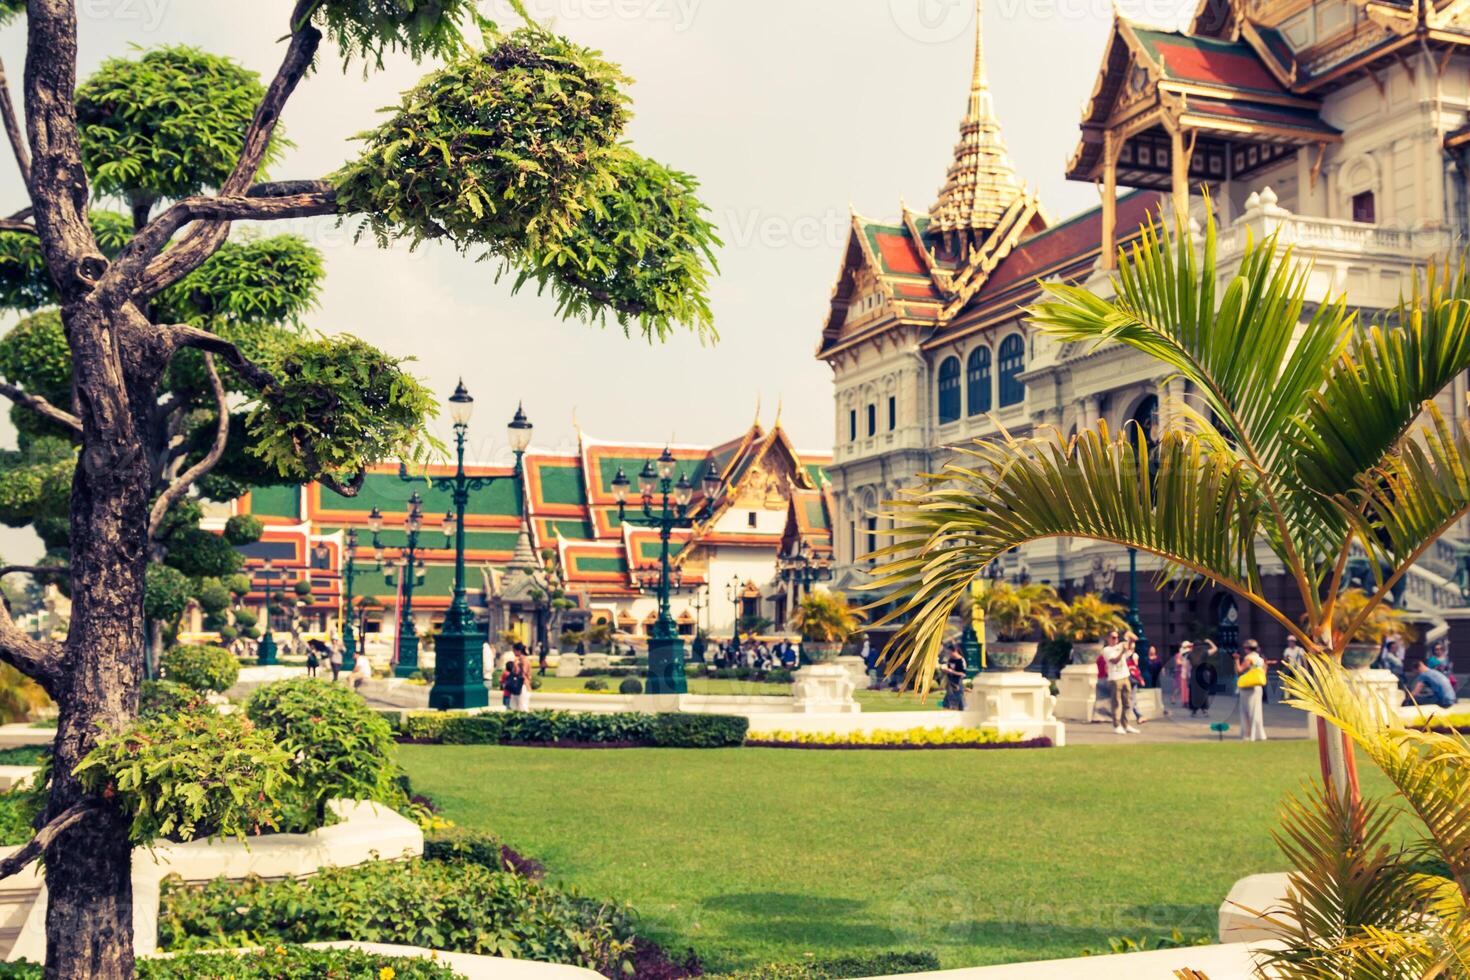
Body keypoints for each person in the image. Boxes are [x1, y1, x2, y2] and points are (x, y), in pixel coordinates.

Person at [1105, 631, 1140, 735]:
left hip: (1125, 676)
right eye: (1113, 637)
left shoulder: (1121, 645)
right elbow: (1114, 661)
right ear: (1108, 638)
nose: (1115, 639)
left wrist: (1127, 634)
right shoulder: (1106, 650)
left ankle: (1125, 724)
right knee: (1116, 703)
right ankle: (1116, 725)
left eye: (1116, 637)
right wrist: (1122, 652)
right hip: (1115, 678)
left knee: (1127, 702)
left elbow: (1135, 639)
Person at [1234, 639, 1268, 741]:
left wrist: (1236, 660)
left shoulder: (1248, 658)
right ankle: (1258, 734)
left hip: (1247, 687)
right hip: (1258, 686)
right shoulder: (1260, 659)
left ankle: (1248, 734)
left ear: (1247, 649)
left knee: (1246, 710)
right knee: (1257, 710)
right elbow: (1264, 672)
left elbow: (1239, 670)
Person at [1188, 639, 1219, 717]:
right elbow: (1215, 649)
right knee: (1203, 691)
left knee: (1194, 692)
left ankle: (1194, 710)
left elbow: (1188, 665)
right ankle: (1204, 710)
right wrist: (1209, 641)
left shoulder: (1190, 654)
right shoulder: (1204, 652)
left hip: (1194, 674)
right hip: (1203, 673)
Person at [940, 643, 968, 710]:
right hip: (950, 684)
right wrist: (945, 669)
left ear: (955, 651)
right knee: (947, 703)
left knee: (960, 704)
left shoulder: (961, 660)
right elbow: (949, 668)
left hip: (958, 684)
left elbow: (963, 674)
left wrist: (952, 672)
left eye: (949, 652)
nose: (949, 654)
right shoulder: (951, 659)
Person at [513, 644, 533, 711]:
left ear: (518, 651)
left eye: (514, 650)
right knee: (520, 706)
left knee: (522, 707)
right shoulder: (524, 660)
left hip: (522, 685)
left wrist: (516, 665)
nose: (513, 652)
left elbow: (521, 672)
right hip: (524, 685)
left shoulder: (522, 660)